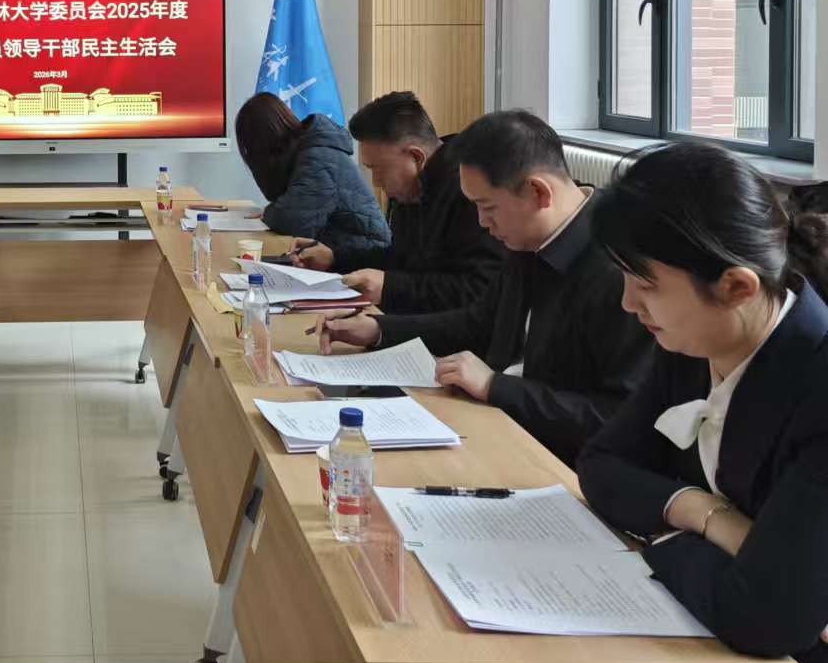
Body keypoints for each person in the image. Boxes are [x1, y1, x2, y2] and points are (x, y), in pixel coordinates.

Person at [578, 143, 828, 663]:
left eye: (645, 283)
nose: (628, 302)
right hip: (708, 652)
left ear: (736, 285)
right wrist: (708, 516)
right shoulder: (695, 341)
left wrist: (661, 539)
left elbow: (767, 617)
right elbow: (601, 465)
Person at [313, 110, 649, 463]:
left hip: (554, 459)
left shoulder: (621, 271)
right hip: (495, 423)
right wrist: (379, 329)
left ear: (538, 192)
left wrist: (495, 386)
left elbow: (620, 419)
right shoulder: (528, 238)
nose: (482, 222)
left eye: (487, 207)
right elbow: (478, 323)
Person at [289, 91, 504, 314]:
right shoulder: (412, 188)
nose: (376, 181)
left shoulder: (470, 191)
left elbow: (479, 291)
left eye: (379, 169)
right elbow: (399, 258)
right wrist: (335, 258)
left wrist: (389, 288)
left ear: (416, 157)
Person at [234, 92, 389, 264]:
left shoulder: (318, 156)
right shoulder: (305, 151)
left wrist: (270, 212)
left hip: (365, 257)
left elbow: (293, 221)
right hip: (340, 251)